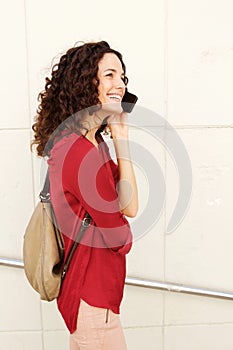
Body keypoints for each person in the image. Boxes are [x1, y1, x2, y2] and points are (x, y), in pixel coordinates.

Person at [31, 40, 138, 350]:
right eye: (109, 75)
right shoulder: (79, 152)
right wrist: (119, 226)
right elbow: (121, 237)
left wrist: (121, 139)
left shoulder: (91, 143)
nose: (119, 84)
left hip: (90, 298)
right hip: (92, 299)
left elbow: (129, 207)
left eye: (122, 76)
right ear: (84, 84)